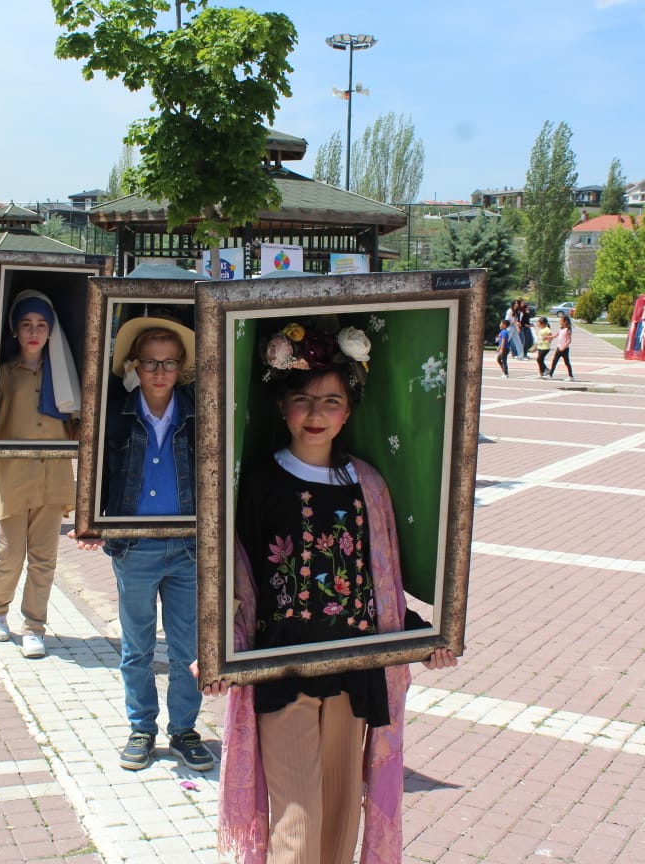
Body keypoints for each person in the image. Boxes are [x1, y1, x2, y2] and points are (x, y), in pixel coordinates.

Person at [209, 323, 457, 864]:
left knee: (340, 824)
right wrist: (217, 650)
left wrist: (422, 639)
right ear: (282, 406)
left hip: (353, 670)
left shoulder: (367, 484)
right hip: (282, 672)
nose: (316, 413)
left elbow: (380, 584)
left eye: (331, 401)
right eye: (303, 399)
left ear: (349, 411)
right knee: (299, 827)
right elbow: (234, 580)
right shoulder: (256, 484)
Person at [70, 317, 212, 772]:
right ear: (134, 365)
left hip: (188, 547)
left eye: (169, 362)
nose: (159, 371)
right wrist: (89, 520)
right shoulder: (114, 414)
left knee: (188, 648)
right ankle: (141, 728)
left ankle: (184, 729)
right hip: (134, 547)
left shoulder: (201, 413)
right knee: (137, 647)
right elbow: (95, 469)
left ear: (182, 366)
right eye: (150, 362)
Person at [0, 290, 78, 660]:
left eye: (41, 325)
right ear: (15, 330)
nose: (34, 332)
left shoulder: (68, 377)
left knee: (44, 559)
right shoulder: (2, 374)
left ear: (51, 330)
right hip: (13, 476)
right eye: (26, 324)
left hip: (53, 477)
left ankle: (34, 626)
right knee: (9, 553)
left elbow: (77, 427)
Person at [547, 312, 574, 381]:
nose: (560, 322)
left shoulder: (567, 330)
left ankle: (571, 376)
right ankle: (550, 375)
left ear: (565, 322)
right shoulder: (561, 329)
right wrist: (547, 337)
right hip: (559, 348)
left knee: (567, 363)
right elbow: (555, 336)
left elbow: (569, 340)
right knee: (554, 361)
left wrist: (564, 347)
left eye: (561, 321)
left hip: (564, 349)